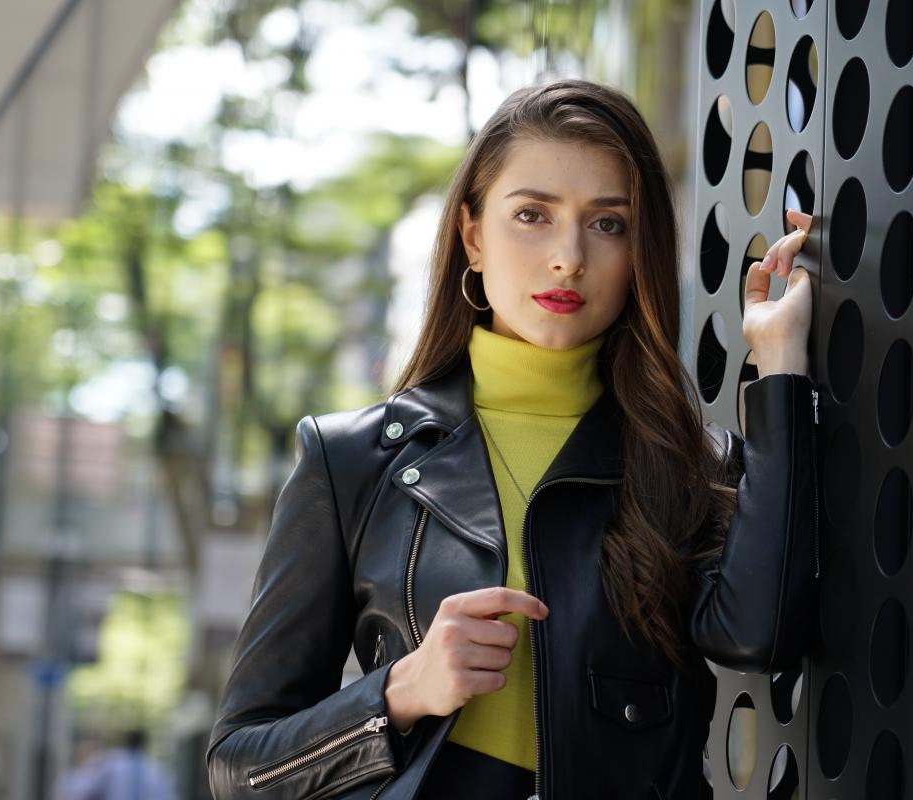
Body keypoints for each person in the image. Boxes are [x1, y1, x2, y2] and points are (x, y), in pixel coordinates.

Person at [207, 78, 817, 800]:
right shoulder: (352, 464)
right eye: (532, 214)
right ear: (472, 235)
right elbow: (238, 768)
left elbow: (760, 633)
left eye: (608, 223)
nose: (568, 257)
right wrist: (400, 692)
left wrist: (779, 367)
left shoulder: (686, 463)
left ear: (638, 253)